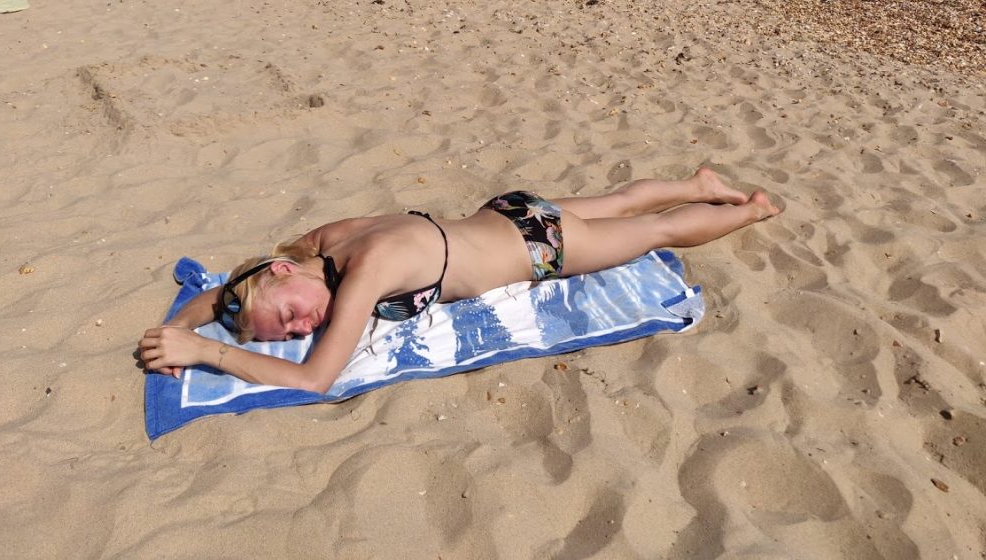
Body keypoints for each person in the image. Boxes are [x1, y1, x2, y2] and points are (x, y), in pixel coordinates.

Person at [139, 168, 781, 392]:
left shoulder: (366, 272)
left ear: (282, 272)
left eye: (289, 316)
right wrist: (178, 326)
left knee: (657, 232)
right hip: (506, 213)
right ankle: (699, 184)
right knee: (613, 203)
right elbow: (231, 293)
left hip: (538, 247)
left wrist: (203, 351)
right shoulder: (321, 244)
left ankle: (748, 208)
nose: (304, 327)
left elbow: (314, 377)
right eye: (292, 329)